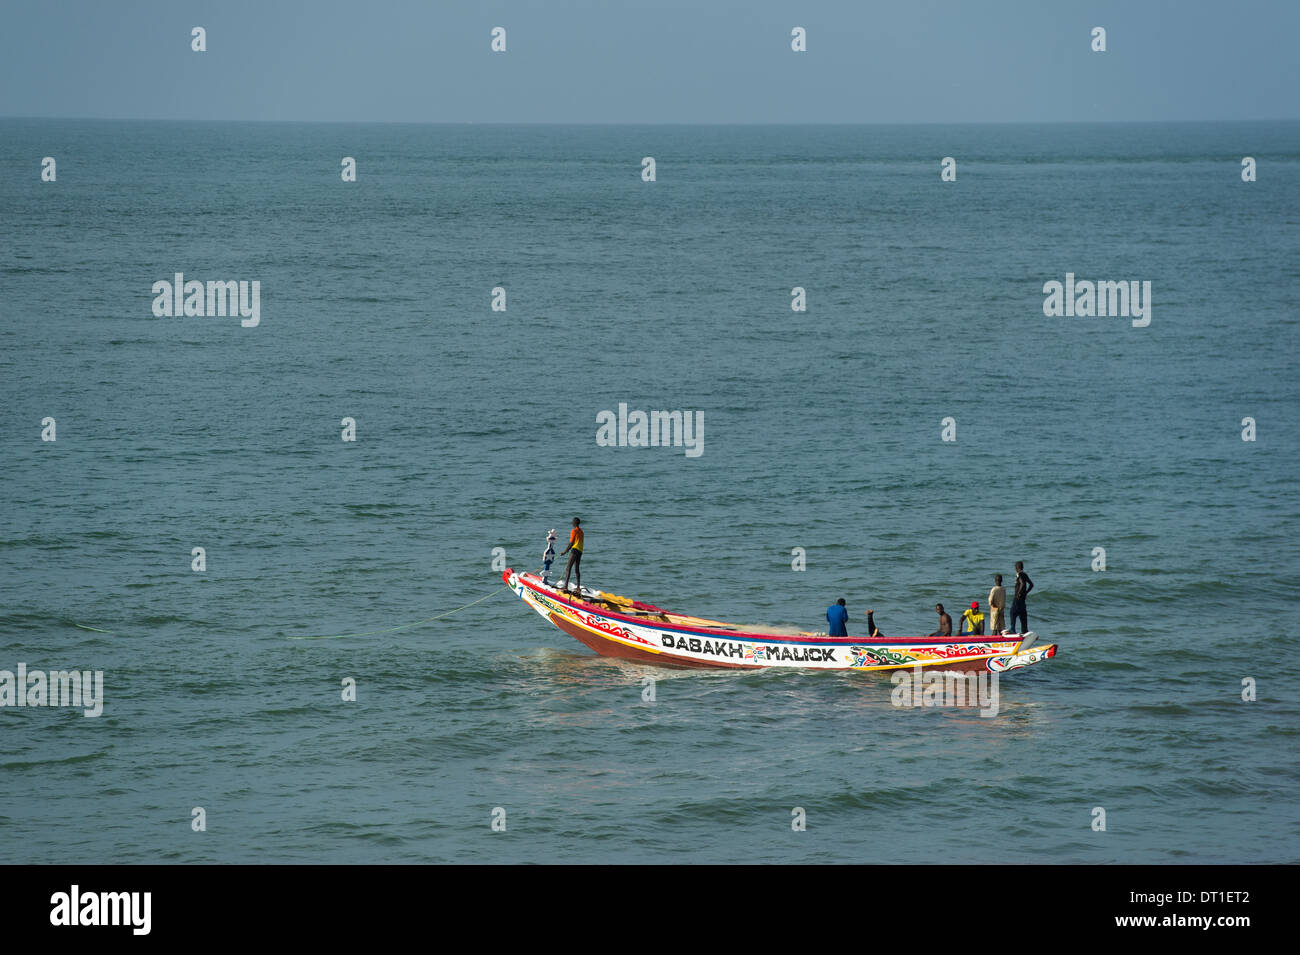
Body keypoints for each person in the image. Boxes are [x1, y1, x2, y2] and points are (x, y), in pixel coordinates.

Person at [559, 517, 584, 592]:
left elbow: (571, 543)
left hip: (574, 550)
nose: (572, 523)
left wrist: (565, 551)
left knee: (568, 568)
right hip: (580, 551)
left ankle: (565, 587)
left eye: (572, 522)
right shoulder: (581, 532)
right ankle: (578, 587)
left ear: (575, 523)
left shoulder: (574, 531)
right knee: (576, 569)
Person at [1009, 561, 1033, 633]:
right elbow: (1031, 584)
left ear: (1017, 568)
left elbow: (1022, 583)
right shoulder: (1025, 574)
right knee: (1023, 614)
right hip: (1023, 599)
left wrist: (1019, 593)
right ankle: (1024, 630)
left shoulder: (1019, 574)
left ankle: (1013, 629)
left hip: (1017, 598)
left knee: (1012, 612)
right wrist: (1026, 593)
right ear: (1022, 567)